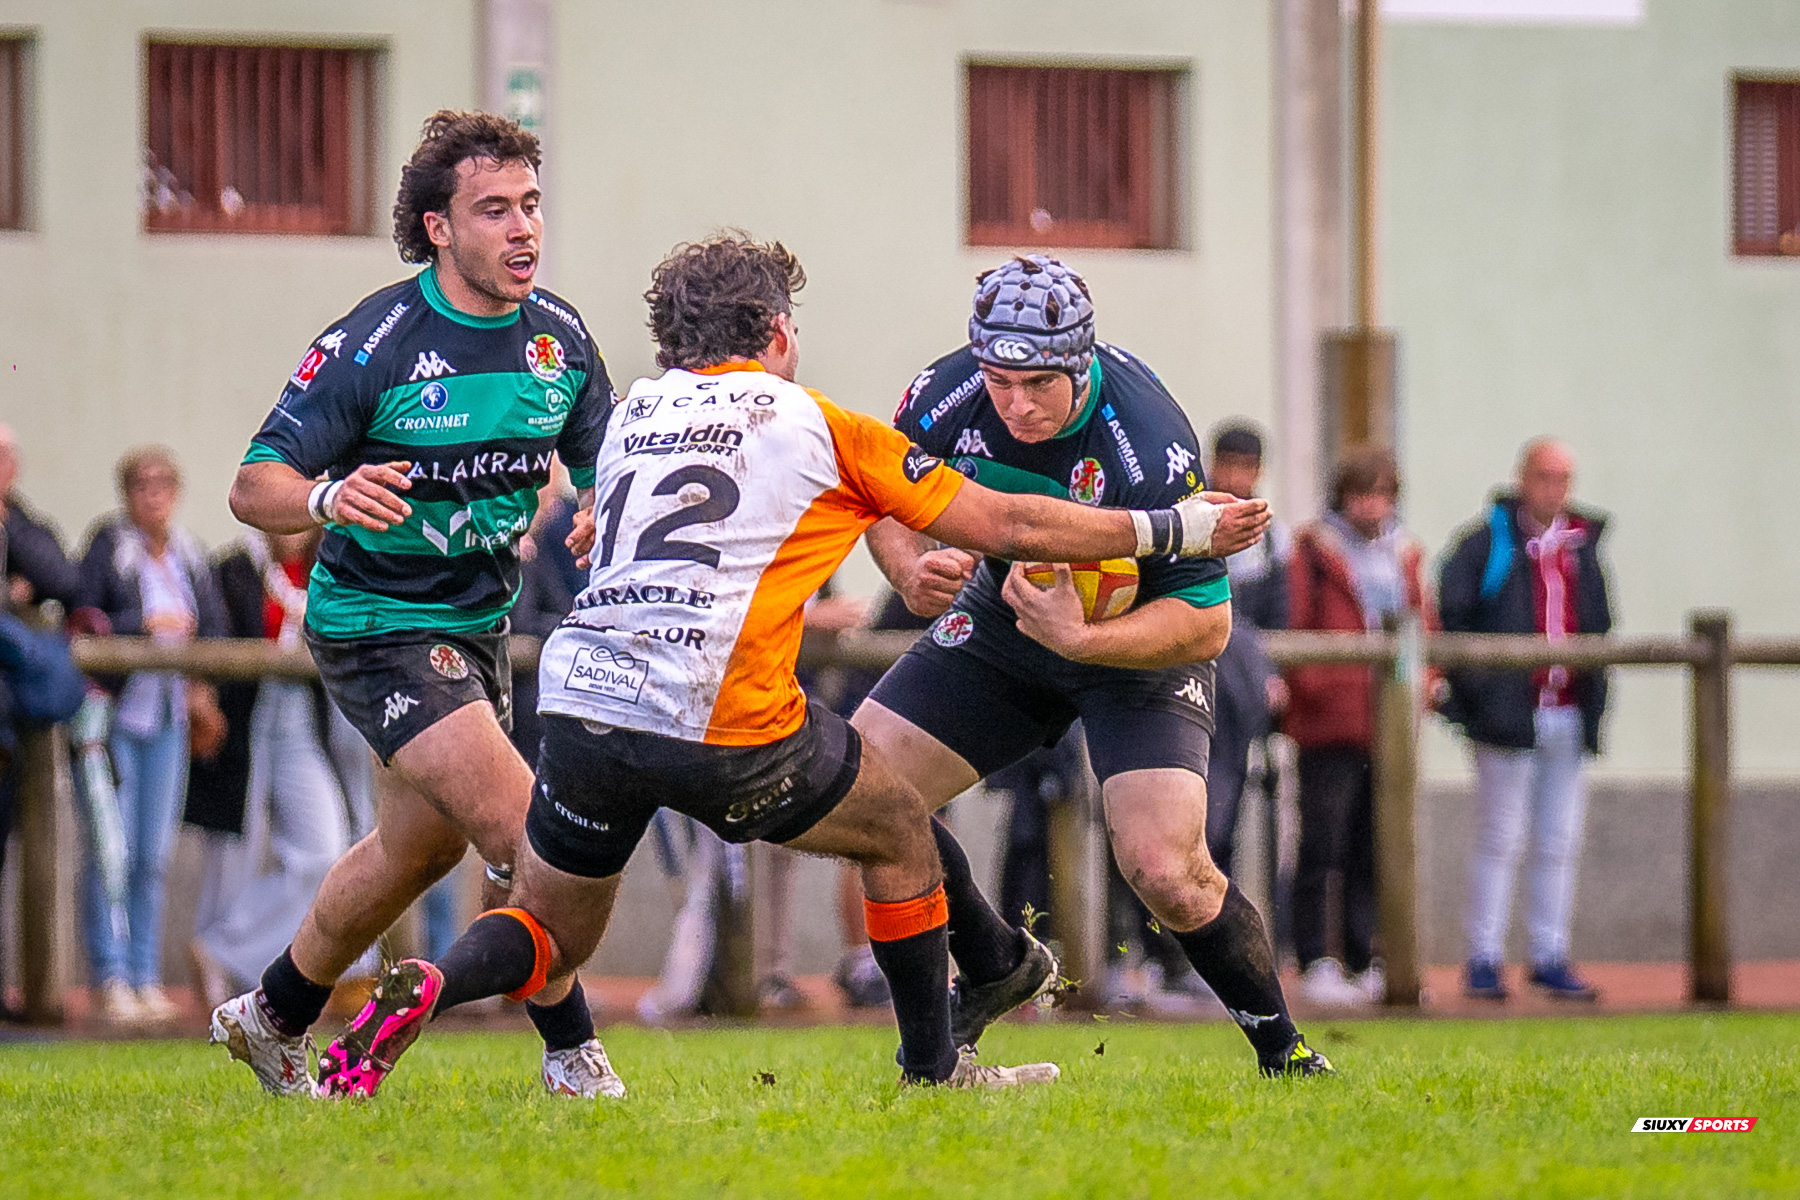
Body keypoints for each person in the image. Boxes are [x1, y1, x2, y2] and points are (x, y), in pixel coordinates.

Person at [314, 232, 1263, 1099]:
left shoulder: (637, 412)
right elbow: (1005, 522)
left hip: (582, 700)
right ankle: (936, 1067)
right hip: (716, 710)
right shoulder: (815, 423)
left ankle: (434, 983)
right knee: (897, 822)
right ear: (776, 330)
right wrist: (1175, 525)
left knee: (550, 926)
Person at [208, 109, 615, 1096]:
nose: (523, 230)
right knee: (529, 829)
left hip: (479, 625)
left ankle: (272, 1017)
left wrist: (606, 505)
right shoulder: (374, 343)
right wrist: (325, 495)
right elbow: (251, 485)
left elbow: (605, 461)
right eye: (493, 211)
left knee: (409, 851)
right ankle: (573, 1053)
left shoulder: (557, 339)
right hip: (376, 625)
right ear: (437, 227)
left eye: (530, 207)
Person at [857, 254, 1332, 1077]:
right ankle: (993, 972)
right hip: (1006, 625)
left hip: (1134, 649)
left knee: (1164, 868)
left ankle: (1283, 1051)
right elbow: (878, 499)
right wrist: (904, 567)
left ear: (1082, 363)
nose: (1016, 403)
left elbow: (1209, 623)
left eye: (1039, 383)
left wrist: (1083, 643)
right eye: (1000, 380)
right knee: (863, 795)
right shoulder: (942, 396)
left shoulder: (1146, 437)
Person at [1439, 438, 1612, 1002]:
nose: (1553, 489)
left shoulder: (1582, 545)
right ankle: (1483, 955)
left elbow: (1599, 623)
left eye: (1562, 478)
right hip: (1509, 715)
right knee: (1500, 835)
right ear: (1522, 477)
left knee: (1559, 838)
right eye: (1543, 476)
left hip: (1566, 711)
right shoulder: (1487, 543)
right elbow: (1455, 617)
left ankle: (1549, 952)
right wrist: (1483, 696)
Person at [80, 446, 228, 1025]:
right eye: (143, 486)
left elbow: (214, 626)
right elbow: (87, 615)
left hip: (169, 719)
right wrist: (142, 627)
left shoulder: (190, 555)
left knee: (154, 854)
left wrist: (199, 682)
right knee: (111, 850)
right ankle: (110, 973)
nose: (154, 496)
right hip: (118, 720)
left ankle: (144, 974)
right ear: (127, 494)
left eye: (164, 485)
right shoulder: (109, 548)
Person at [1283, 446, 1435, 1008]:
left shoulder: (1408, 554)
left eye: (1381, 494)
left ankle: (1363, 953)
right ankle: (1314, 957)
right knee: (1323, 841)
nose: (1371, 506)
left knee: (1376, 844)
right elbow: (1297, 623)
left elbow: (1423, 624)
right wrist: (1314, 687)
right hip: (1329, 722)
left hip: (1389, 721)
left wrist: (1428, 681)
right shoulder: (1313, 551)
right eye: (1361, 494)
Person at [184, 529, 360, 1011]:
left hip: (302, 721)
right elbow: (216, 634)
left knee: (325, 850)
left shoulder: (324, 570)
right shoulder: (236, 568)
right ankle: (222, 976)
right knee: (235, 853)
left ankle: (223, 948)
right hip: (246, 720)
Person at [1201, 422, 1288, 878]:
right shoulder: (1189, 523)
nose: (1236, 478)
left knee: (1223, 821)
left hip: (1238, 704)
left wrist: (1269, 675)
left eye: (1246, 467)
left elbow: (1278, 622)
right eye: (1228, 465)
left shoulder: (1271, 542)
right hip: (1195, 682)